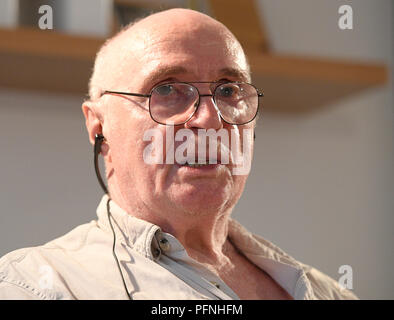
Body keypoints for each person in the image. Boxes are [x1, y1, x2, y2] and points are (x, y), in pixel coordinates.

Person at [0, 8, 357, 300]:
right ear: (99, 128)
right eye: (168, 88)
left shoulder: (327, 291)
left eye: (229, 90)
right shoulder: (32, 286)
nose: (210, 119)